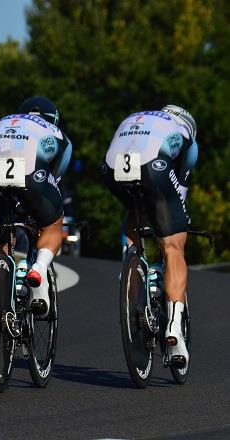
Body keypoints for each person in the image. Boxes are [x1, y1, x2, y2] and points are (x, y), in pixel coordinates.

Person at [101, 105, 198, 367]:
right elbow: (180, 190)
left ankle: (130, 262)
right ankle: (174, 329)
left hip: (111, 169)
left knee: (135, 206)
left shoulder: (135, 118)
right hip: (153, 166)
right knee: (174, 247)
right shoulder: (186, 134)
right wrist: (179, 223)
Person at [0, 96, 72, 317]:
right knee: (53, 223)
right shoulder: (57, 134)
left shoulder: (3, 122)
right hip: (31, 173)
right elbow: (55, 181)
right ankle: (38, 268)